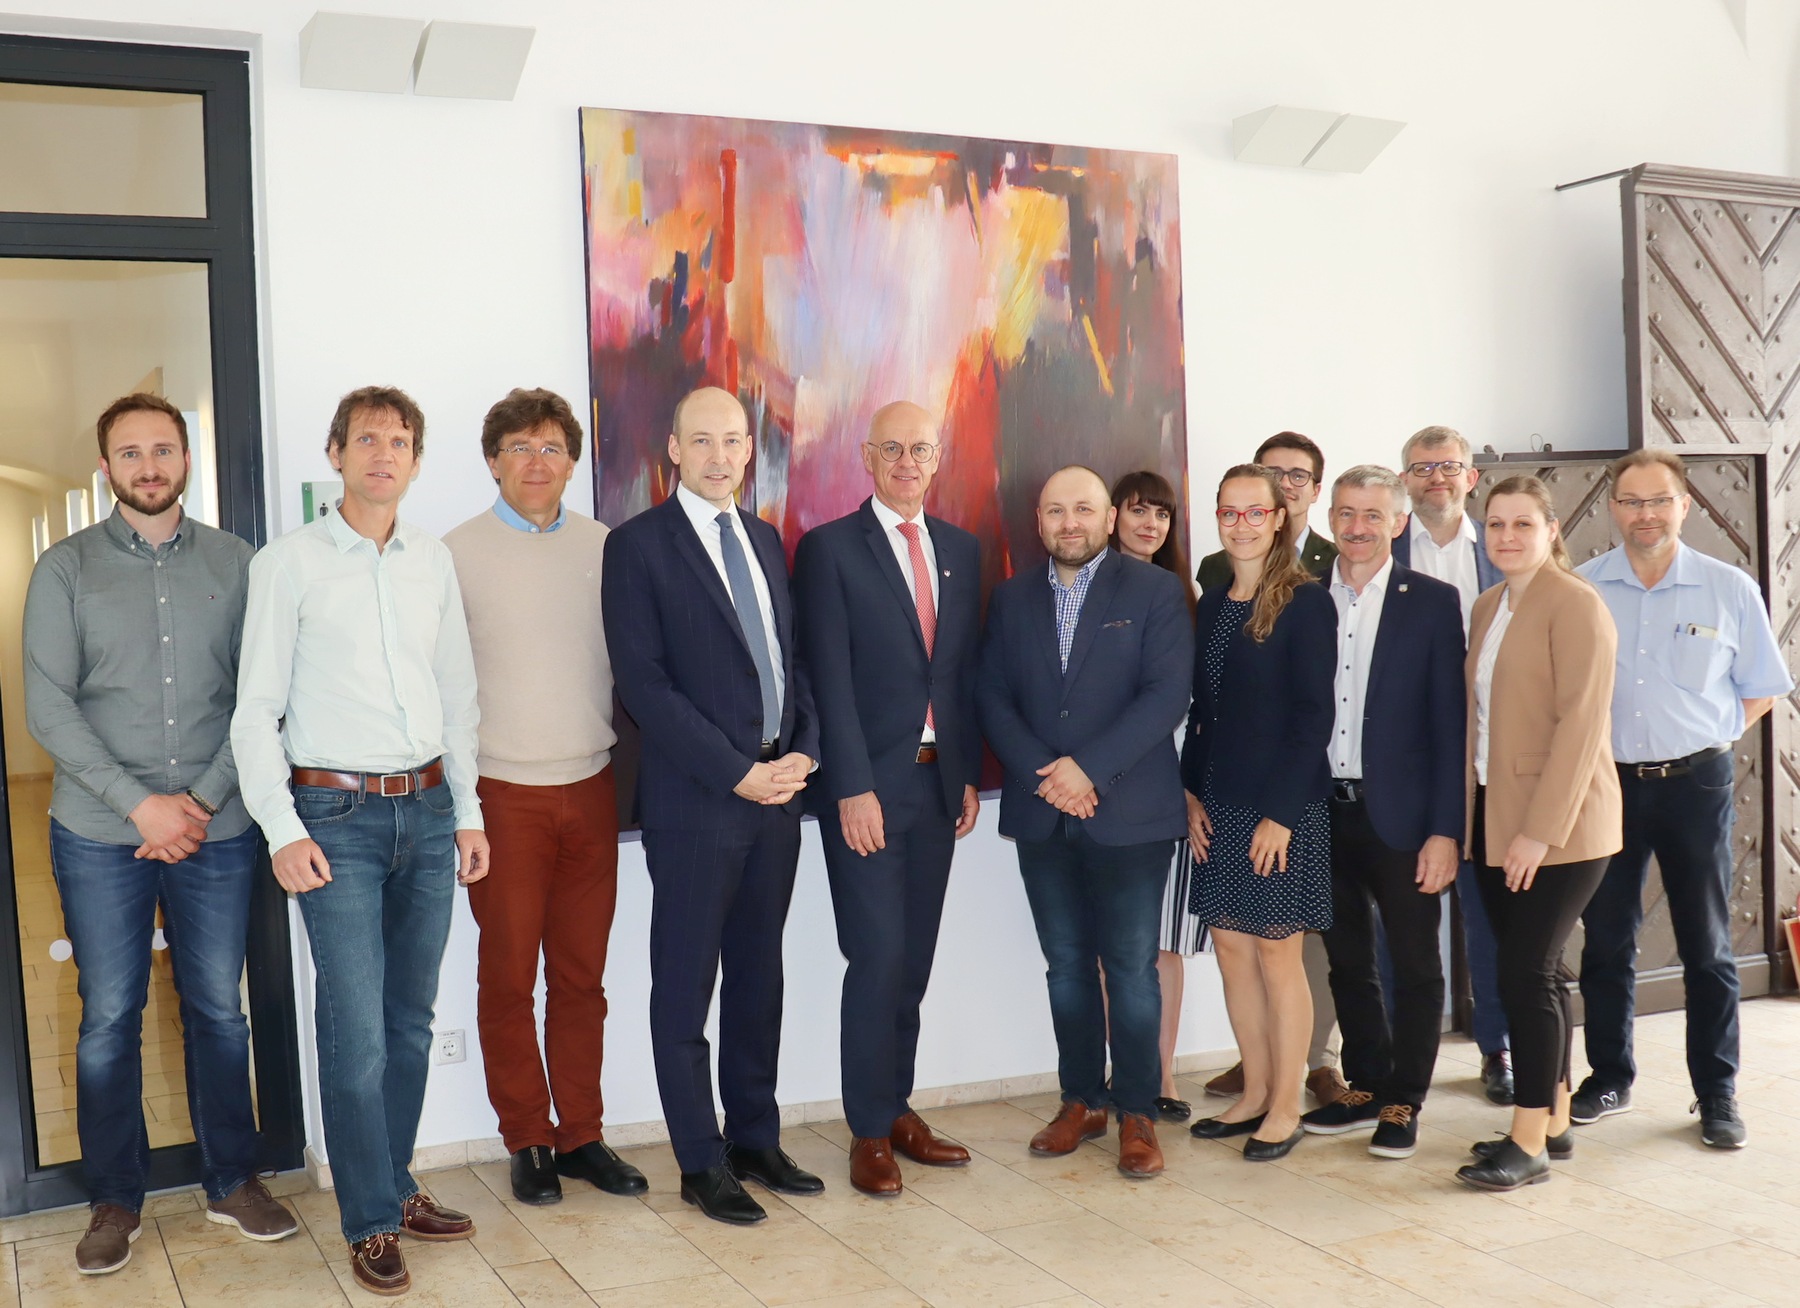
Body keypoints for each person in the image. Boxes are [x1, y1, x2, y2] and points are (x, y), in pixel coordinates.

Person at [23, 394, 297, 1277]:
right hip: (101, 830)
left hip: (217, 830)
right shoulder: (64, 570)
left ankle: (232, 1180)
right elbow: (47, 708)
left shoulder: (239, 562)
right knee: (109, 1016)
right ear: (105, 467)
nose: (148, 465)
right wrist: (142, 806)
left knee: (220, 1011)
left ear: (186, 459)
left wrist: (203, 802)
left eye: (163, 449)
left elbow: (261, 697)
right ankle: (114, 1196)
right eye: (130, 452)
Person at [233, 386, 489, 1296]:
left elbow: (456, 695)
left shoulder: (431, 562)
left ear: (417, 462)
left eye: (402, 441)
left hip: (425, 811)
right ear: (336, 453)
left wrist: (467, 812)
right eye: (368, 438)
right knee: (357, 1032)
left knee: (410, 1024)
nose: (386, 453)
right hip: (330, 818)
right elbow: (254, 712)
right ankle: (371, 1219)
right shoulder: (289, 564)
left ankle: (395, 1182)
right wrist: (281, 828)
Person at [602, 386, 821, 1225]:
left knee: (759, 977)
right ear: (673, 448)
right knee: (686, 984)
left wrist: (804, 749)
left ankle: (755, 1136)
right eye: (704, 441)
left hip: (778, 796)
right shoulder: (638, 548)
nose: (722, 456)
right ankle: (700, 1158)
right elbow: (645, 687)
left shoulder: (765, 539)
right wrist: (737, 771)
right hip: (701, 800)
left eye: (735, 440)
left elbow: (789, 663)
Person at [443, 388, 646, 1206]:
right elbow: (441, 692)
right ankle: (527, 1137)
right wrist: (461, 811)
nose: (537, 462)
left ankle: (583, 1136)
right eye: (520, 447)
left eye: (554, 448)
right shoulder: (453, 553)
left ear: (573, 461)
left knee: (581, 979)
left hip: (591, 787)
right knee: (506, 980)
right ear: (493, 460)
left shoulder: (608, 548)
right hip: (502, 798)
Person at [1573, 448, 1792, 1149]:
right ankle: (1609, 1075)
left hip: (1697, 784)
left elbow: (1762, 685)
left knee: (1708, 947)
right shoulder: (1583, 589)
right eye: (1632, 501)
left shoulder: (1728, 588)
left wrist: (1709, 735)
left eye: (1658, 501)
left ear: (1685, 505)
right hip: (1607, 785)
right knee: (1606, 941)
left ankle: (1717, 1093)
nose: (1645, 515)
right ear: (1613, 508)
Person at [978, 465, 1192, 1179]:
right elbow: (992, 696)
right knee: (1067, 968)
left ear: (1108, 520)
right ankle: (1082, 1101)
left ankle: (1137, 1111)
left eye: (1084, 510)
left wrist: (1087, 771)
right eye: (1055, 510)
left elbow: (1165, 696)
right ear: (1038, 522)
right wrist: (1051, 775)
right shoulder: (1010, 599)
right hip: (1045, 815)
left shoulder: (1155, 591)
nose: (1070, 522)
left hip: (1130, 815)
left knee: (1130, 971)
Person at [794, 401, 982, 1197]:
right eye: (893, 448)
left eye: (922, 449)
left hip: (938, 786)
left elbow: (961, 675)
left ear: (938, 459)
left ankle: (899, 1106)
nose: (908, 461)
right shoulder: (832, 549)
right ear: (867, 458)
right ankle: (869, 1129)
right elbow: (825, 675)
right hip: (869, 789)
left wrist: (966, 769)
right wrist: (851, 786)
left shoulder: (963, 552)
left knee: (913, 960)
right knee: (874, 958)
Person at [1455, 476, 1619, 1193]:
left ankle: (1528, 1143)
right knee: (1540, 973)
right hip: (1494, 814)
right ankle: (1550, 1119)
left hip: (1563, 828)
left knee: (1524, 973)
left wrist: (1538, 834)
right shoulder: (1491, 604)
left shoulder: (1576, 604)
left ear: (1552, 529)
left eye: (1524, 523)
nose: (1508, 537)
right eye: (1495, 525)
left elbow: (1580, 729)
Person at [1300, 466, 1465, 1161]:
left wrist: (1446, 830)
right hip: (1322, 812)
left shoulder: (1431, 602)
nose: (1357, 527)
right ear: (1330, 519)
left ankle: (1406, 1097)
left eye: (1372, 514)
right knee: (1346, 961)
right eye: (1345, 513)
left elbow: (1450, 726)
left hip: (1402, 816)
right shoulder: (1305, 601)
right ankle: (1365, 1081)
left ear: (1398, 522)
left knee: (1414, 963)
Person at [1183, 465, 1336, 1162]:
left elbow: (1313, 718)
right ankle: (1252, 1092)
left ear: (1279, 518)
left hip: (1282, 806)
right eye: (1229, 512)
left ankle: (1284, 1104)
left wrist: (1278, 814)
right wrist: (1189, 794)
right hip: (1217, 801)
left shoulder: (1306, 602)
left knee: (1278, 952)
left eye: (1255, 512)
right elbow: (1203, 716)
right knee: (1232, 952)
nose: (1241, 524)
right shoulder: (1212, 600)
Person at [1393, 425, 1513, 1104]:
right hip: (1408, 772)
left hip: (1488, 766)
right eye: (1422, 467)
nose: (1436, 478)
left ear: (1471, 478)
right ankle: (1394, 1063)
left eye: (1449, 467)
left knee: (1491, 919)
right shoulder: (1383, 552)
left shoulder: (1503, 551)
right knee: (1402, 923)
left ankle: (1497, 1050)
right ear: (1405, 479)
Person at [1107, 470, 1200, 1122]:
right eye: (1138, 511)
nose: (1150, 524)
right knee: (1112, 947)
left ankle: (1162, 1076)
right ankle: (1123, 1072)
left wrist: (1193, 790)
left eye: (1162, 514)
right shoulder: (1085, 588)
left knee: (1163, 945)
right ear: (1113, 515)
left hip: (1172, 793)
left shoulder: (1182, 594)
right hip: (1105, 794)